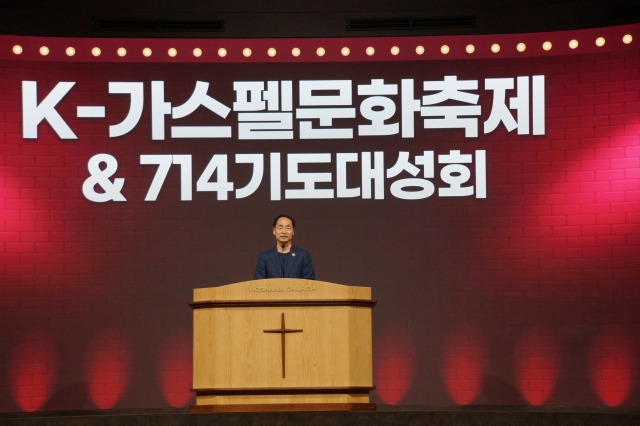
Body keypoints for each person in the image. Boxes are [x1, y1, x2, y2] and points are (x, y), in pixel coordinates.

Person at [254, 215, 316, 280]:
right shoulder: (265, 256)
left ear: (293, 231)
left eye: (288, 228)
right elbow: (258, 282)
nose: (284, 232)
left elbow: (309, 281)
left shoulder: (302, 255)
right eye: (280, 228)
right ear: (274, 231)